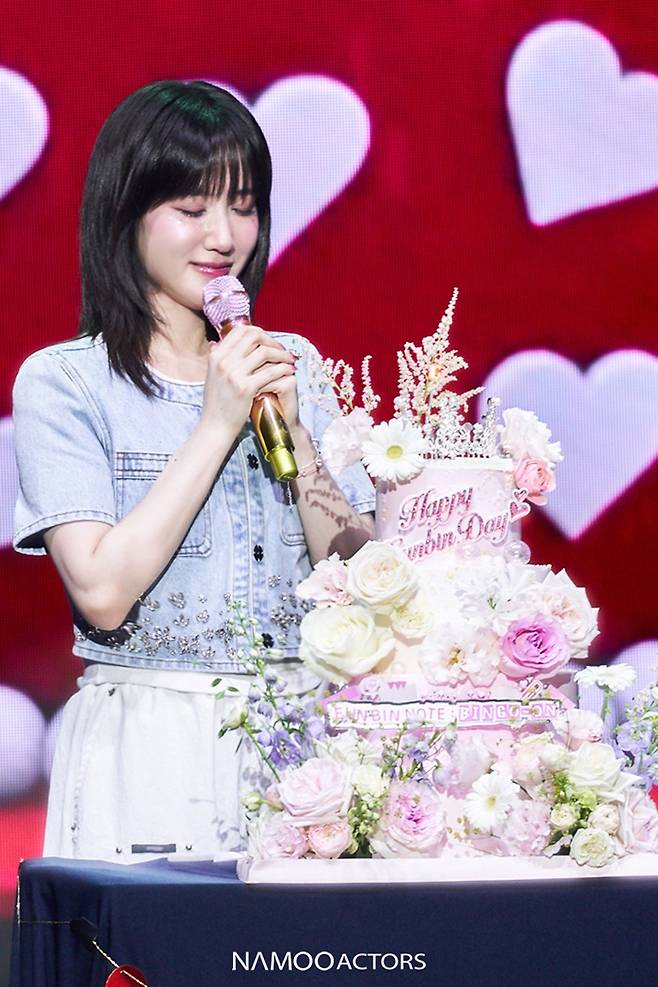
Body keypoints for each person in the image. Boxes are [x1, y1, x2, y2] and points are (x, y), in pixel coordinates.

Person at [12, 80, 375, 862]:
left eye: (243, 207)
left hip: (301, 747)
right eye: (191, 207)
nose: (223, 236)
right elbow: (102, 592)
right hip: (151, 747)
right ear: (127, 212)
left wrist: (294, 429)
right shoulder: (65, 383)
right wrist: (216, 423)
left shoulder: (292, 364)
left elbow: (360, 574)